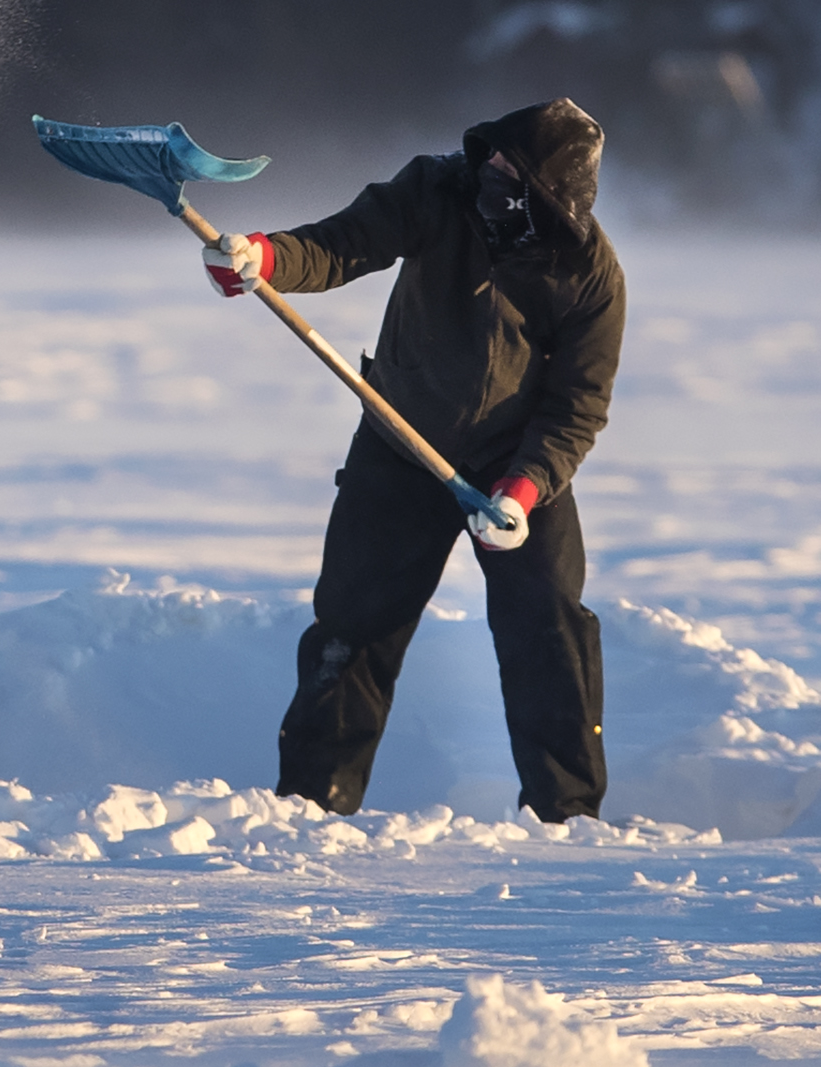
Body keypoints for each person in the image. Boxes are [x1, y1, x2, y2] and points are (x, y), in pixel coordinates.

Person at [201, 101, 625, 823]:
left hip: (517, 469)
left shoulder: (588, 273)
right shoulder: (438, 190)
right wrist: (264, 258)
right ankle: (311, 809)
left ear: (547, 192)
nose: (487, 170)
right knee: (352, 627)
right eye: (488, 157)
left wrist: (523, 492)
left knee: (549, 625)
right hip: (401, 442)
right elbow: (344, 243)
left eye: (507, 168)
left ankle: (567, 817)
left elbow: (576, 407)